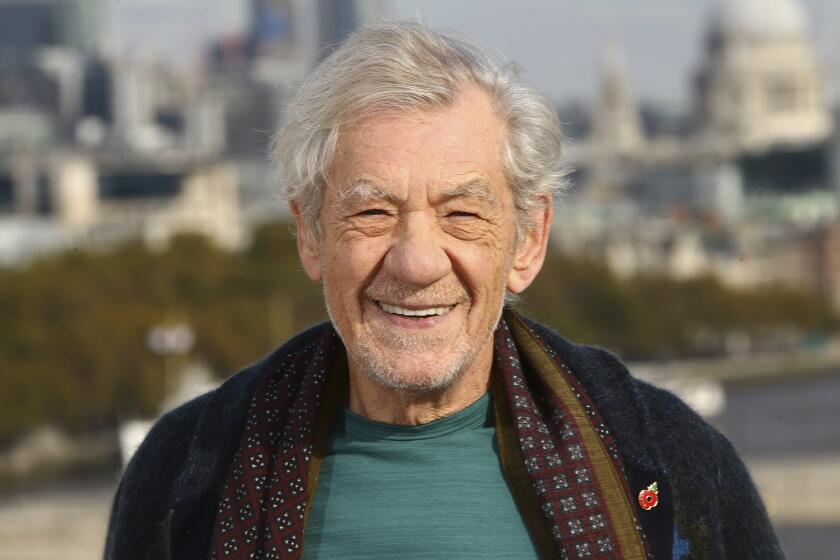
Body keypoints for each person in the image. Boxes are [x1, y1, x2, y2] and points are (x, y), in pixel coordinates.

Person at [104, 22, 783, 560]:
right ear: (310, 235)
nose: (417, 262)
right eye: (371, 213)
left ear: (528, 240)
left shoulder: (674, 466)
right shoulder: (186, 474)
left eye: (463, 213)